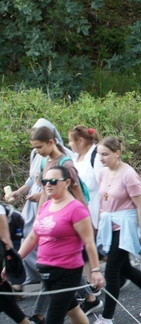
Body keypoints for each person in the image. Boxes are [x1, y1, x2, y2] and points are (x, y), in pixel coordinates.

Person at [10, 166, 105, 324]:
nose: (48, 184)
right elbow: (34, 236)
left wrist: (95, 270)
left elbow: (89, 242)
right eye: (45, 181)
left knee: (53, 318)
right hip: (46, 270)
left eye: (53, 181)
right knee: (73, 310)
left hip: (66, 271)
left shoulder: (76, 209)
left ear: (67, 182)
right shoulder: (47, 206)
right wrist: (15, 260)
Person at [95, 136, 141, 323]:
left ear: (117, 153)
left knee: (111, 272)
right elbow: (103, 201)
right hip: (109, 226)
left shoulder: (129, 175)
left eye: (105, 154)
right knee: (124, 268)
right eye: (99, 154)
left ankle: (106, 318)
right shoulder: (102, 173)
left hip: (125, 227)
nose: (101, 158)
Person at [4, 119, 70, 291]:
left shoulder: (64, 159)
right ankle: (34, 273)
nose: (37, 149)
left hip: (50, 201)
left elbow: (67, 187)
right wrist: (19, 192)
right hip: (38, 202)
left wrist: (42, 194)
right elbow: (33, 178)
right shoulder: (38, 154)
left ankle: (47, 275)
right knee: (28, 233)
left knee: (40, 237)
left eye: (39, 146)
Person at [68, 125, 105, 316]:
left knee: (91, 246)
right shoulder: (74, 158)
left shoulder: (95, 156)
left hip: (95, 205)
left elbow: (102, 182)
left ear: (80, 141)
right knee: (85, 248)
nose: (69, 145)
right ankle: (93, 284)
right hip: (80, 208)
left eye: (71, 141)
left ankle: (98, 282)